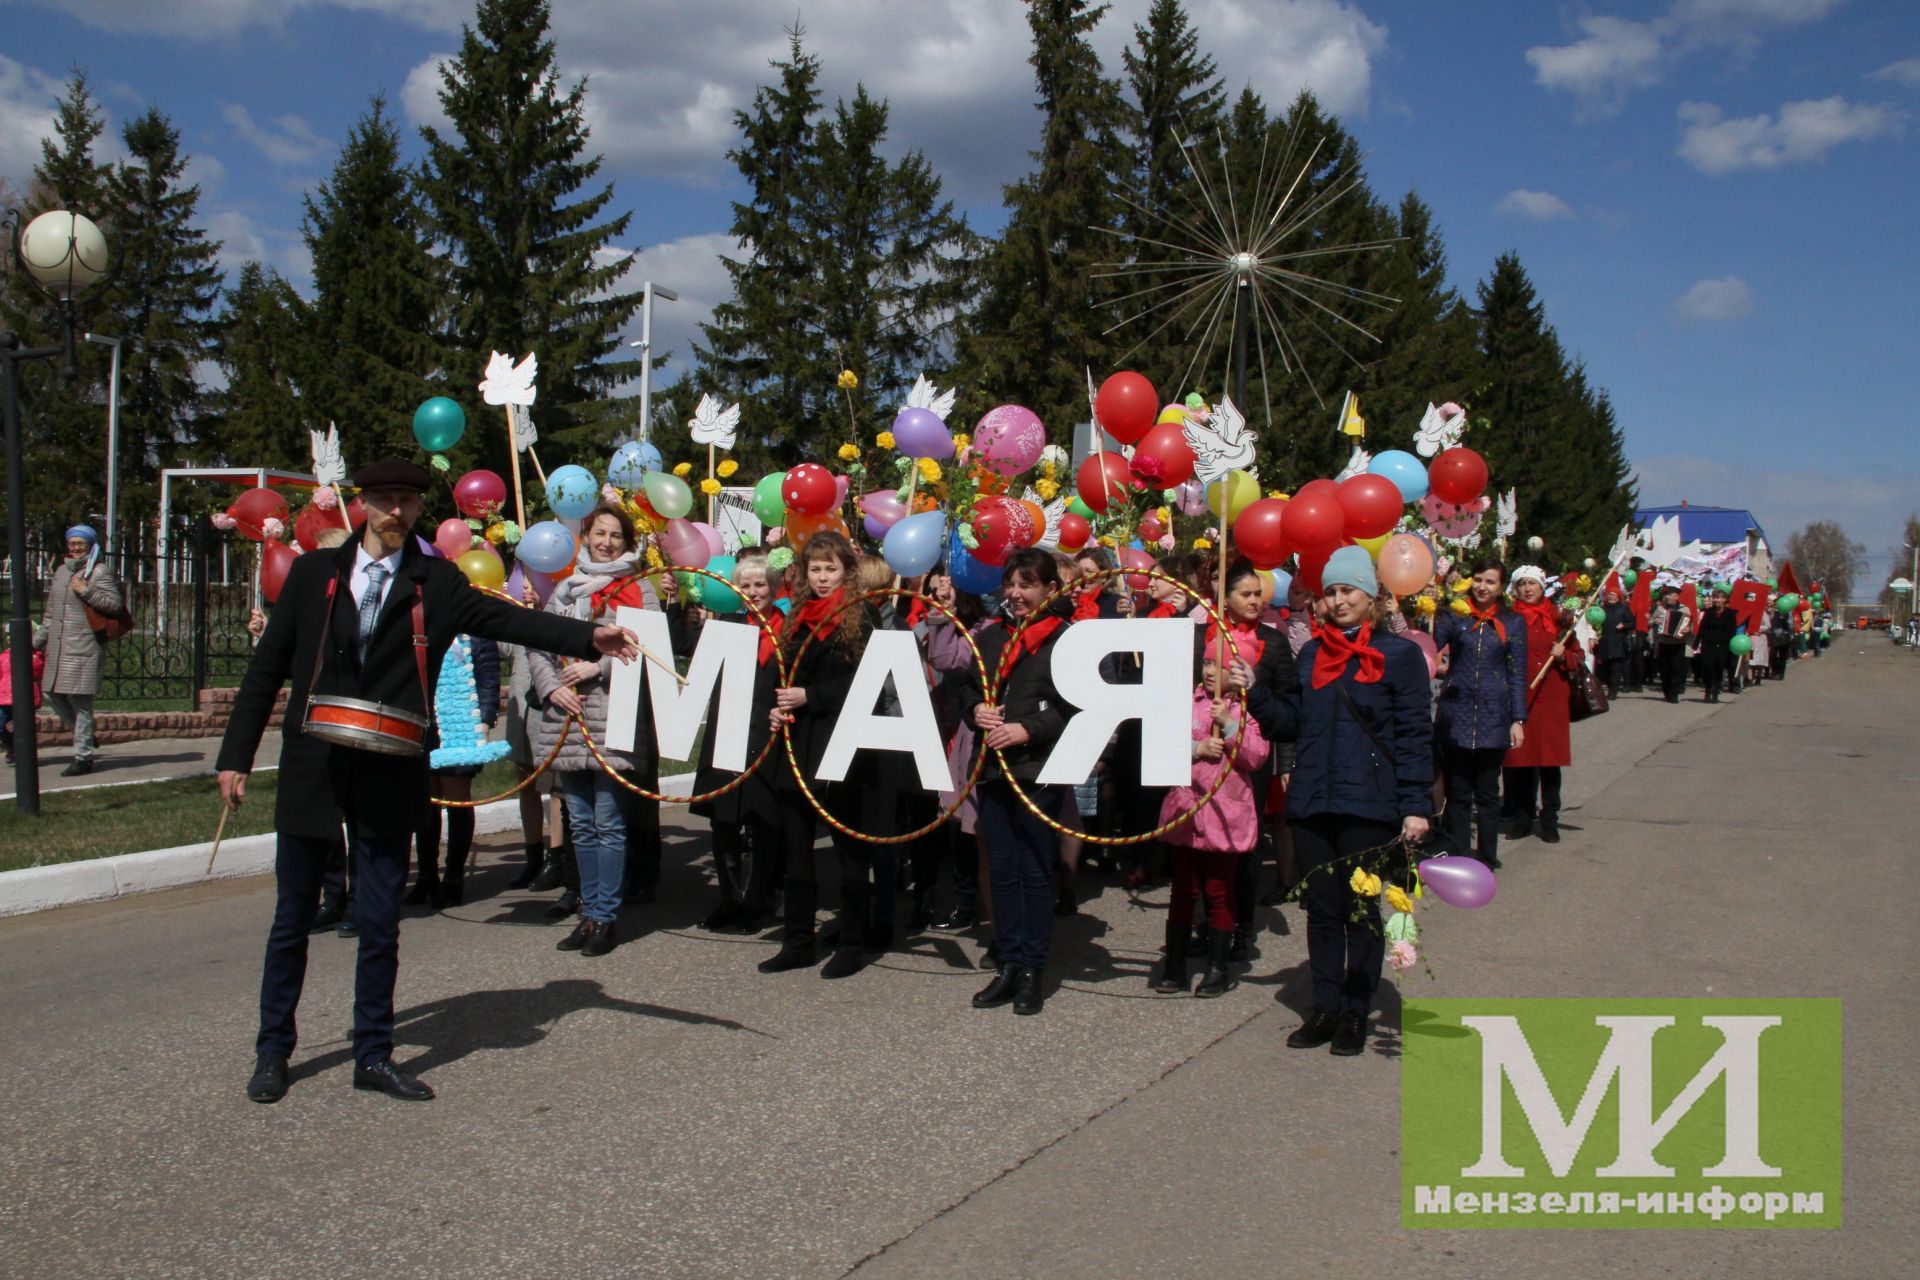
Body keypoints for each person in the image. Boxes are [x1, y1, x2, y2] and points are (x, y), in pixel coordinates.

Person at [218, 458, 638, 1106]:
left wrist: (589, 635)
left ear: (417, 512)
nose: (395, 512)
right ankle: (273, 1049)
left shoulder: (433, 582)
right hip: (314, 765)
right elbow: (266, 670)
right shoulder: (313, 576)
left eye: (407, 503)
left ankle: (373, 1053)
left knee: (381, 919)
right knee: (293, 918)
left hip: (390, 766)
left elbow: (506, 619)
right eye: (384, 500)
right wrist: (234, 757)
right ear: (362, 505)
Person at [1281, 547, 1432, 1057]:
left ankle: (1353, 1009)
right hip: (1313, 798)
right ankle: (1323, 1006)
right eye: (1331, 592)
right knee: (1321, 908)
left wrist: (1416, 804)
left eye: (1349, 591)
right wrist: (1252, 691)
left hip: (1369, 801)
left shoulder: (1400, 655)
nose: (1339, 600)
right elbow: (1291, 724)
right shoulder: (1310, 655)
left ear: (1372, 596)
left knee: (1361, 909)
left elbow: (1413, 734)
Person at [760, 531, 894, 979]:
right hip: (797, 744)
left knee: (848, 848)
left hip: (843, 742)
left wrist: (809, 696)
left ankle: (853, 942)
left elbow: (868, 682)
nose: (821, 578)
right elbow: (779, 676)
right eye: (815, 569)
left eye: (830, 569)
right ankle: (797, 940)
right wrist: (775, 711)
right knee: (795, 846)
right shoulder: (795, 615)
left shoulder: (864, 614)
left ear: (847, 571)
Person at [527, 503, 655, 959]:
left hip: (612, 716)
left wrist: (596, 666)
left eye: (615, 536)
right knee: (579, 823)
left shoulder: (638, 590)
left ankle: (606, 917)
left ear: (627, 542)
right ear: (586, 537)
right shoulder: (564, 590)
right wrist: (549, 689)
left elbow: (649, 650)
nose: (606, 542)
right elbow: (537, 644)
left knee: (609, 822)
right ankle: (587, 908)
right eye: (599, 533)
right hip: (567, 714)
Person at [954, 548, 1072, 1016]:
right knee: (1001, 870)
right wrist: (974, 709)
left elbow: (1080, 707)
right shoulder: (991, 636)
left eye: (1027, 585)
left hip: (1039, 770)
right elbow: (965, 684)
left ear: (1049, 590)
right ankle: (1007, 961)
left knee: (1035, 870)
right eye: (1011, 585)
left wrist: (1029, 728)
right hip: (992, 769)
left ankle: (1032, 969)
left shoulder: (1067, 641)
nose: (1016, 594)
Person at [1154, 651, 1269, 996]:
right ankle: (1174, 964)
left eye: (1217, 665)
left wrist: (1231, 726)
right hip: (1186, 808)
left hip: (1225, 812)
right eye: (1205, 663)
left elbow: (1256, 755)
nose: (1209, 671)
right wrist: (1195, 748)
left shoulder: (1244, 708)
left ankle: (1217, 967)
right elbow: (1161, 743)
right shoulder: (1188, 701)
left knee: (1219, 889)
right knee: (1183, 889)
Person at [688, 550, 782, 935]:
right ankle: (730, 900)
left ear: (774, 589)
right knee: (724, 827)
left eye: (760, 584)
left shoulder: (789, 631)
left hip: (768, 741)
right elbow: (681, 646)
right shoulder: (724, 628)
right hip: (726, 739)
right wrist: (677, 607)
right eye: (746, 585)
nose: (754, 591)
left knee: (764, 828)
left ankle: (757, 902)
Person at [1432, 561, 1528, 868]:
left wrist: (1518, 719)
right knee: (1458, 791)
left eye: (1490, 582)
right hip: (1456, 713)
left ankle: (1487, 856)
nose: (1482, 586)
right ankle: (1459, 852)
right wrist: (1435, 609)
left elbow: (1517, 673)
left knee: (1487, 792)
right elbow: (1431, 646)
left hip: (1494, 714)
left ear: (1501, 588)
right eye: (1477, 579)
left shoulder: (1512, 622)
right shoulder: (1454, 614)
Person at [408, 633, 504, 907]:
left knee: (456, 798)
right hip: (426, 723)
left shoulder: (476, 634)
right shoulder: (422, 626)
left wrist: (485, 719)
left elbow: (489, 679)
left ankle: (453, 875)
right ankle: (427, 875)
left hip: (460, 724)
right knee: (427, 801)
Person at [1501, 565, 1584, 844]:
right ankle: (1523, 818)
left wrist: (1563, 656)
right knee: (1522, 761)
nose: (1528, 589)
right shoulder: (1508, 619)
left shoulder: (1559, 619)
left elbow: (1578, 656)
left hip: (1551, 699)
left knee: (1550, 762)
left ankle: (1549, 818)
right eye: (1522, 584)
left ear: (1541, 587)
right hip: (1521, 696)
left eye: (1532, 584)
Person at [36, 525, 124, 776]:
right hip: (59, 646)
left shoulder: (98, 571)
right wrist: (35, 642)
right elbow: (52, 613)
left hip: (84, 646)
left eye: (80, 544)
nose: (75, 548)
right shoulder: (62, 571)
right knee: (50, 693)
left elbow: (114, 605)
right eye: (72, 544)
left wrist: (86, 591)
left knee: (80, 701)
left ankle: (83, 757)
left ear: (90, 545)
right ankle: (83, 735)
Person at [0, 641, 45, 766]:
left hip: (24, 697)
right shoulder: (3, 656)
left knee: (25, 728)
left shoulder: (34, 655)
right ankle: (12, 747)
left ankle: (27, 753)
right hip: (4, 697)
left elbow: (37, 672)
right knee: (1, 725)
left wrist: (34, 657)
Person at [1649, 583, 1693, 703]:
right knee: (1664, 670)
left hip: (1678, 643)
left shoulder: (1685, 609)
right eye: (1669, 595)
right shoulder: (1660, 609)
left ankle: (1673, 695)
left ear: (1677, 597)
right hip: (1663, 642)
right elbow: (1650, 621)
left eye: (1673, 595)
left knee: (1676, 669)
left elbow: (1690, 626)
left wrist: (1687, 630)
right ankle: (1666, 692)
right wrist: (1655, 621)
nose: (1671, 598)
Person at [1694, 588, 1739, 703]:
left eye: (1718, 597)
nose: (1716, 600)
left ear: (1724, 599)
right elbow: (1702, 628)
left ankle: (1715, 693)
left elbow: (1732, 631)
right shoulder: (1709, 612)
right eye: (1714, 597)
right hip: (1709, 644)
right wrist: (1696, 642)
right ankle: (1708, 691)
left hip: (1723, 645)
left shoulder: (1730, 613)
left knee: (1719, 669)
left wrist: (1731, 646)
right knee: (1708, 668)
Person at [1596, 587, 1634, 699]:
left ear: (1618, 596)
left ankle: (1613, 692)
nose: (1611, 596)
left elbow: (1632, 622)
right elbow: (1597, 622)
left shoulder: (1623, 608)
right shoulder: (1602, 609)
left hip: (1618, 642)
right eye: (1610, 594)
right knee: (1605, 670)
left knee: (1615, 669)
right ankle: (1609, 685)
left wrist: (1624, 625)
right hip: (1605, 642)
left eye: (1613, 594)